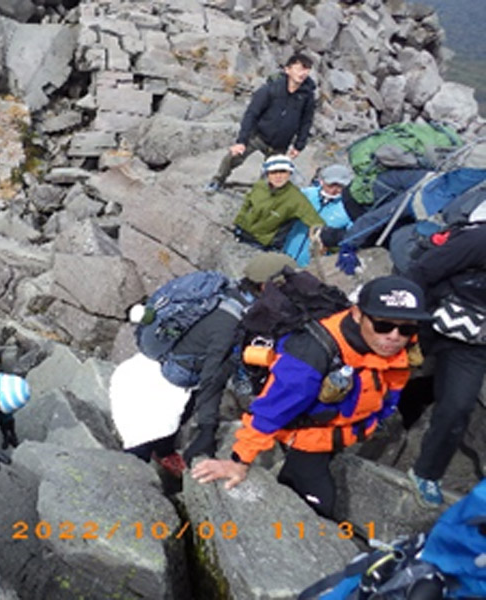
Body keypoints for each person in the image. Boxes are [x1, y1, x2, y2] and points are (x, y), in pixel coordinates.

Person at [191, 275, 431, 518]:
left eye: (407, 328)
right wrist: (238, 462)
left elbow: (393, 383)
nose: (394, 336)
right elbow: (271, 410)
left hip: (344, 430)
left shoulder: (401, 344)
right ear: (358, 314)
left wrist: (380, 415)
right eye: (383, 325)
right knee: (319, 507)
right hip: (309, 438)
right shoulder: (312, 353)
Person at [113, 253, 298, 477]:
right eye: (286, 285)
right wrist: (206, 430)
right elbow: (213, 378)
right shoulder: (230, 323)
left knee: (177, 416)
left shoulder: (229, 291)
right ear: (265, 285)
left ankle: (163, 452)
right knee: (149, 432)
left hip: (173, 361)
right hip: (174, 378)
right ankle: (134, 473)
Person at [406, 216, 486, 508]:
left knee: (458, 407)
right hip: (430, 318)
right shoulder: (479, 240)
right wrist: (406, 321)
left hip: (473, 342)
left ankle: (427, 472)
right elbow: (423, 271)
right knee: (386, 373)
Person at [208, 53, 316, 190]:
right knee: (233, 156)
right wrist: (241, 141)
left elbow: (306, 121)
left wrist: (299, 145)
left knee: (274, 176)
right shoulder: (270, 89)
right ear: (287, 70)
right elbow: (251, 114)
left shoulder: (307, 96)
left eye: (307, 70)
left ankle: (260, 195)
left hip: (281, 144)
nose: (303, 73)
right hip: (258, 135)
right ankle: (217, 180)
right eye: (300, 68)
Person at [233, 155, 325, 250]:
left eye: (283, 171)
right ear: (267, 174)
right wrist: (239, 221)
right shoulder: (259, 186)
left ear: (290, 173)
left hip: (261, 244)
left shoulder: (296, 198)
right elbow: (247, 203)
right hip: (240, 231)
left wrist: (331, 242)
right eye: (273, 172)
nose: (278, 176)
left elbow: (315, 222)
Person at [282, 164, 355, 267]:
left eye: (340, 186)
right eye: (331, 185)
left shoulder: (350, 208)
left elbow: (351, 237)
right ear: (322, 181)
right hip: (286, 254)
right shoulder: (306, 194)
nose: (334, 190)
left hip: (315, 264)